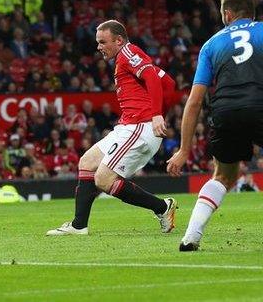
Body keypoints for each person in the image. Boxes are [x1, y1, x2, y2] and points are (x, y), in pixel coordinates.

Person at [47, 19, 177, 236]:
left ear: (118, 40)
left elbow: (152, 77)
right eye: (98, 42)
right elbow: (169, 83)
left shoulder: (128, 52)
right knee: (87, 162)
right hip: (129, 125)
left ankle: (162, 207)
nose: (99, 47)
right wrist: (159, 110)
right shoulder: (126, 58)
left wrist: (156, 114)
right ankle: (79, 226)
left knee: (104, 180)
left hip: (139, 127)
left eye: (102, 42)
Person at [167, 0, 262, 251]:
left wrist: (184, 150)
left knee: (223, 176)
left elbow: (195, 100)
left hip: (226, 110)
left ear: (228, 14)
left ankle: (190, 237)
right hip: (260, 103)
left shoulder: (212, 44)